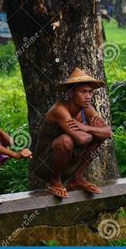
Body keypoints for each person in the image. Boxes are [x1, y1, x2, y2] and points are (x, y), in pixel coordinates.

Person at [30, 68, 113, 198]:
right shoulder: (59, 110)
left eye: (90, 92)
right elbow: (81, 139)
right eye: (83, 92)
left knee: (100, 137)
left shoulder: (87, 108)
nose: (88, 96)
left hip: (70, 163)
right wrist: (94, 131)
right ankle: (55, 182)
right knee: (66, 140)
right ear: (71, 93)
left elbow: (108, 132)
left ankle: (77, 178)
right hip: (46, 166)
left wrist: (87, 128)